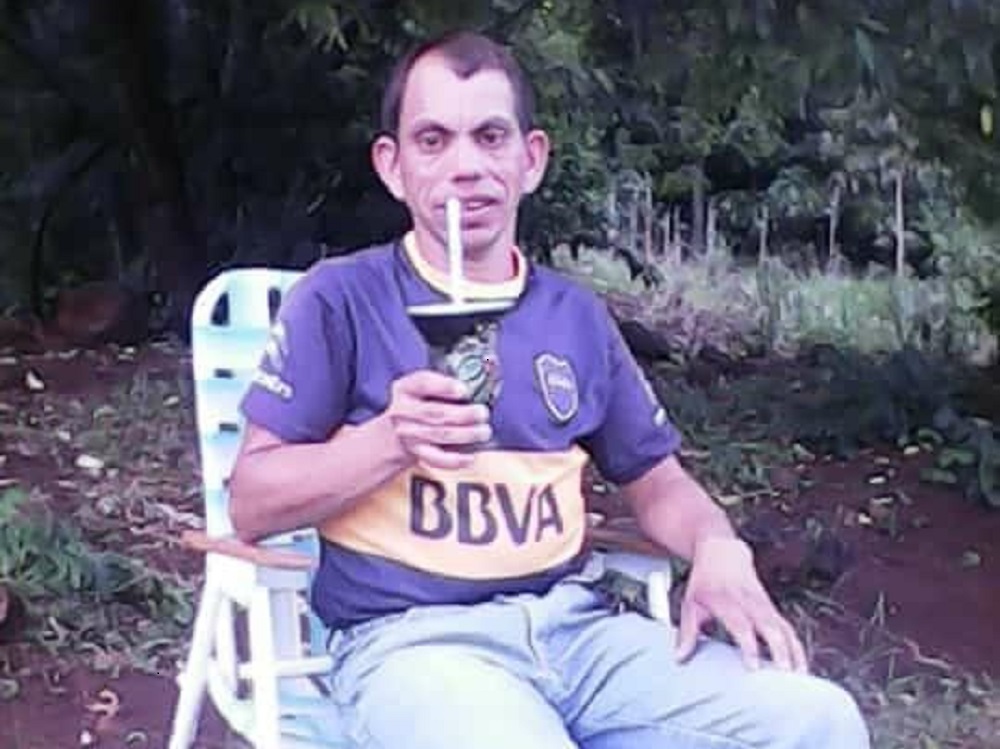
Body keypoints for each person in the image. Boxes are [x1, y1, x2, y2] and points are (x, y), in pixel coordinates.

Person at [229, 29, 871, 749]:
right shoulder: (342, 300)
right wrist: (390, 440)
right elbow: (250, 502)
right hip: (414, 643)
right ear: (394, 167)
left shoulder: (575, 317)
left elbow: (659, 484)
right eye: (433, 141)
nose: (466, 166)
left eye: (490, 137)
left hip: (579, 634)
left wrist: (716, 544)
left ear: (530, 159)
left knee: (818, 722)